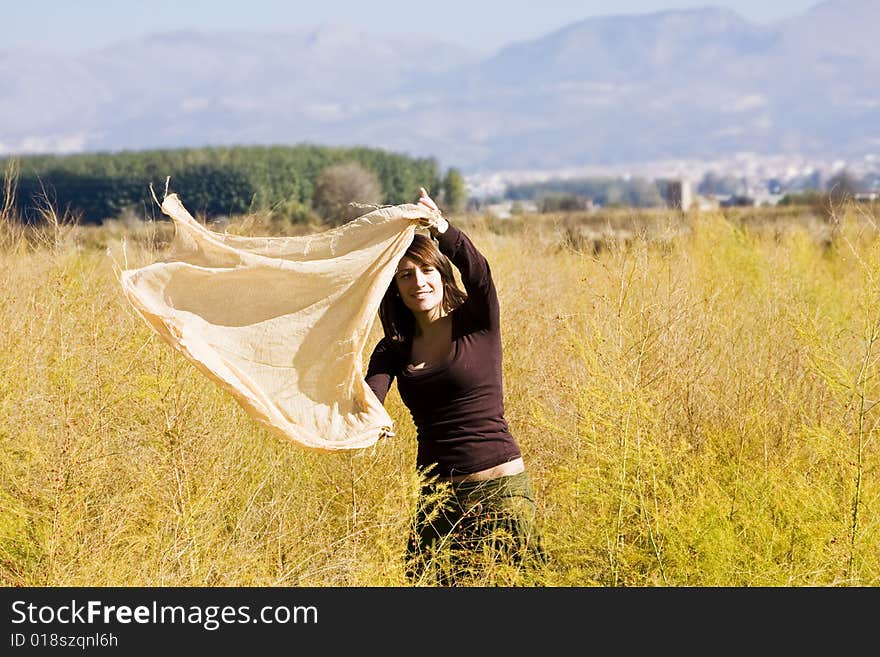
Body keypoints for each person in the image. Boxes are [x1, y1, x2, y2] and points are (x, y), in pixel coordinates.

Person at [365, 187, 545, 585]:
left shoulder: (476, 321)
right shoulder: (393, 348)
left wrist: (442, 227)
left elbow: (479, 272)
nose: (418, 283)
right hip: (438, 502)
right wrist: (367, 422)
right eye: (405, 275)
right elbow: (367, 401)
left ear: (442, 275)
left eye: (426, 271)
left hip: (501, 493)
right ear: (395, 287)